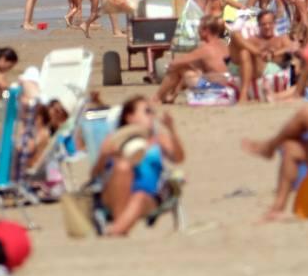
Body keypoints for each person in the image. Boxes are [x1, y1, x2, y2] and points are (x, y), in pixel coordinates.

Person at [90, 97, 184, 236]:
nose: (152, 115)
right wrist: (105, 156)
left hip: (148, 196)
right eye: (147, 111)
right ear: (130, 117)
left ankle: (116, 230)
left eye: (152, 111)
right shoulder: (113, 140)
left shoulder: (158, 139)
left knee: (139, 197)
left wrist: (172, 130)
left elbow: (178, 158)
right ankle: (119, 229)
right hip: (113, 194)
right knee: (123, 167)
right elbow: (95, 174)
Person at [153, 15, 229, 104]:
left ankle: (156, 98)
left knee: (180, 67)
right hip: (228, 89)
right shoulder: (224, 45)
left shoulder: (205, 49)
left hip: (216, 91)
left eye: (199, 28)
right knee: (189, 68)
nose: (198, 31)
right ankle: (171, 96)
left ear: (206, 31)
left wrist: (170, 67)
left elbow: (174, 63)